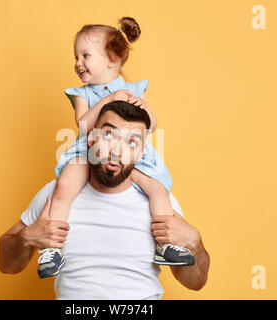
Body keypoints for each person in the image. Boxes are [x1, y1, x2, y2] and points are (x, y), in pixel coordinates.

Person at [0, 101, 210, 300]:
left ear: (141, 152)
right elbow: (5, 265)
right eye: (108, 135)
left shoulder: (161, 204)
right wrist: (26, 237)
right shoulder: (57, 194)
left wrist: (195, 244)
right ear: (91, 138)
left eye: (131, 142)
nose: (117, 151)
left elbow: (195, 283)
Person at [39, 16, 194, 278]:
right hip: (90, 151)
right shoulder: (82, 94)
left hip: (128, 153)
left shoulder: (134, 88)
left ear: (111, 58)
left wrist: (148, 112)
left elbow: (151, 126)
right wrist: (107, 100)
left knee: (158, 190)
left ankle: (165, 245)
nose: (78, 63)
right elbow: (85, 124)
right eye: (76, 57)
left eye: (85, 55)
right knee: (64, 185)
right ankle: (52, 248)